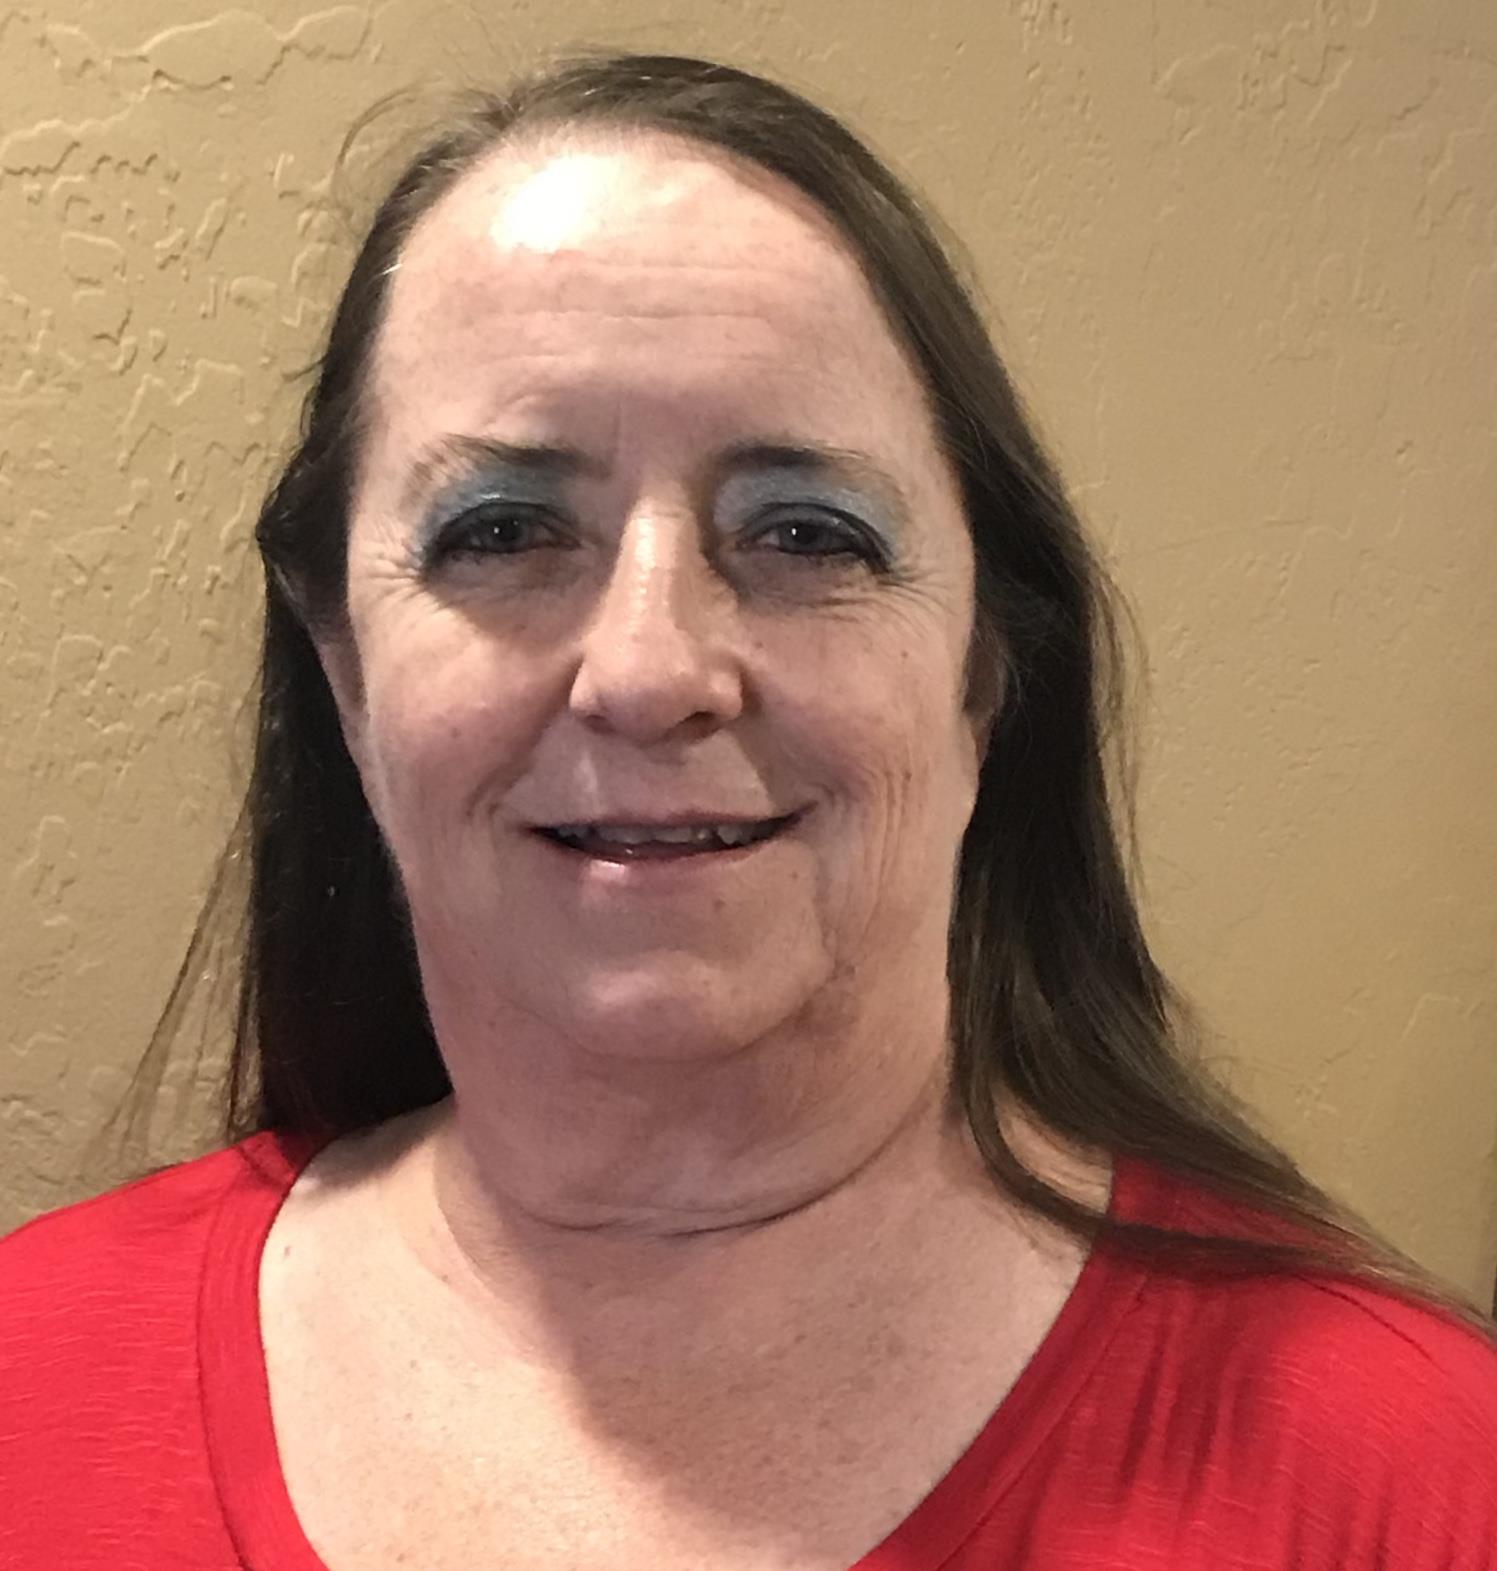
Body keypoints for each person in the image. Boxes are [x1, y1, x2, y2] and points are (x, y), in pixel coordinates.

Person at [2, 50, 1494, 1571]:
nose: (651, 672)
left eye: (805, 534)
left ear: (982, 674)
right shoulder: (28, 1386)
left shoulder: (1414, 1483)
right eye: (503, 531)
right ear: (344, 666)